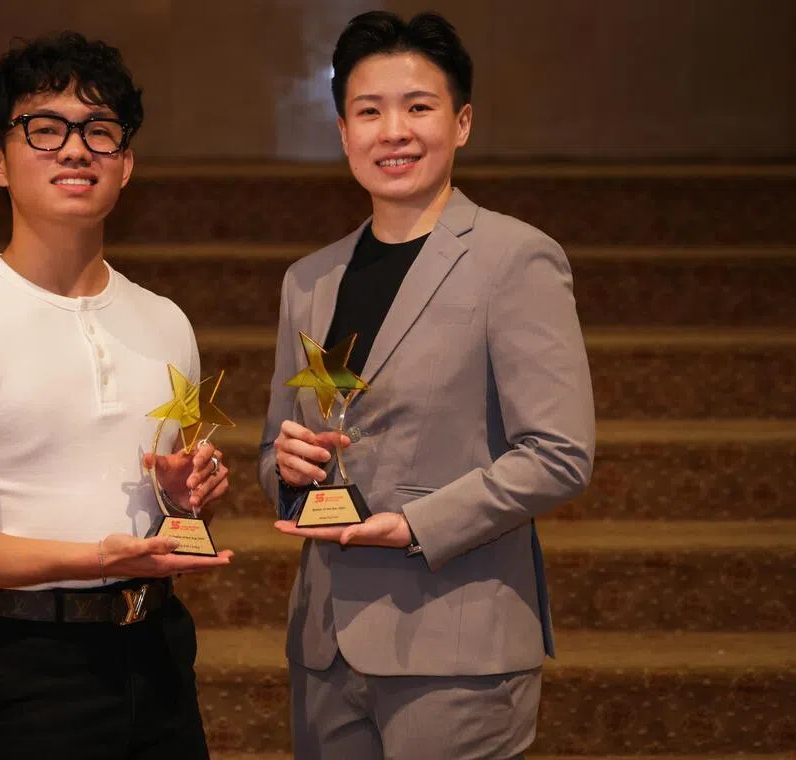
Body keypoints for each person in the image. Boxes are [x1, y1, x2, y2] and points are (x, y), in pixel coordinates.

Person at [0, 31, 232, 759]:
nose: (76, 149)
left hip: (160, 651)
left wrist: (184, 494)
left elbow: (175, 497)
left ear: (126, 164)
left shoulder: (168, 322)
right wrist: (89, 556)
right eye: (45, 129)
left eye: (99, 130)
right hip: (25, 664)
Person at [258, 11, 595, 760]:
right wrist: (285, 470)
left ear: (462, 122)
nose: (394, 131)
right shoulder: (309, 279)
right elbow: (273, 450)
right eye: (369, 111)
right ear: (343, 132)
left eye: (419, 107)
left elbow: (559, 453)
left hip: (458, 652)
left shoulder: (516, 258)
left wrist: (416, 526)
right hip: (323, 650)